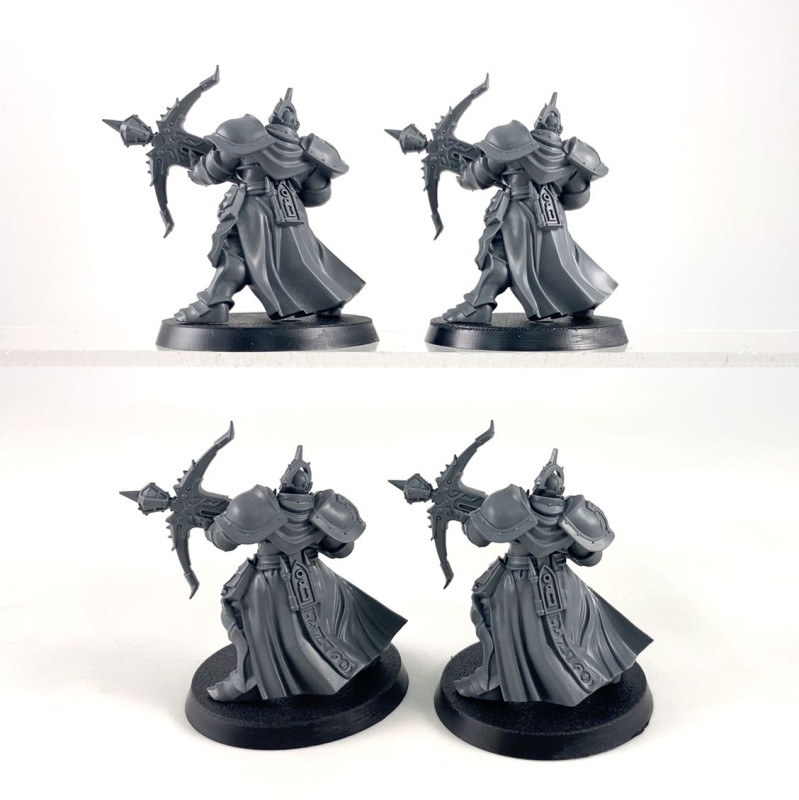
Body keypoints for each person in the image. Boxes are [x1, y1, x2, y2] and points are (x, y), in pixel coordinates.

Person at [203, 446, 406, 701]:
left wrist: (210, 524)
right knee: (337, 621)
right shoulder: (324, 508)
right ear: (309, 485)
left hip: (271, 584)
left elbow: (223, 540)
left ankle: (247, 682)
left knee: (247, 625)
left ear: (282, 481)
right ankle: (357, 660)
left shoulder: (258, 503)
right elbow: (342, 548)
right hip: (316, 577)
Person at [457, 449, 652, 705]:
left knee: (490, 618)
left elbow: (477, 536)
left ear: (536, 484)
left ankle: (493, 679)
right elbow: (590, 557)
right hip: (564, 583)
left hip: (519, 586)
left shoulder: (511, 504)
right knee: (583, 631)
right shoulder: (574, 515)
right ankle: (603, 672)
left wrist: (474, 516)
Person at [175, 89, 365, 324]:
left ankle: (215, 305)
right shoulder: (310, 154)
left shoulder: (246, 136)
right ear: (296, 124)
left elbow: (213, 171)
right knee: (303, 257)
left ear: (272, 118)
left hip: (252, 208)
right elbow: (318, 195)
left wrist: (195, 165)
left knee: (235, 252)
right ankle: (328, 302)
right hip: (292, 212)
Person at [445, 93, 618, 324]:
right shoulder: (572, 157)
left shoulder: (512, 141)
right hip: (553, 216)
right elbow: (576, 199)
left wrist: (464, 172)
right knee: (562, 261)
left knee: (500, 256)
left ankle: (479, 306)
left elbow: (479, 176)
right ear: (559, 128)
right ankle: (582, 303)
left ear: (537, 122)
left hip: (517, 213)